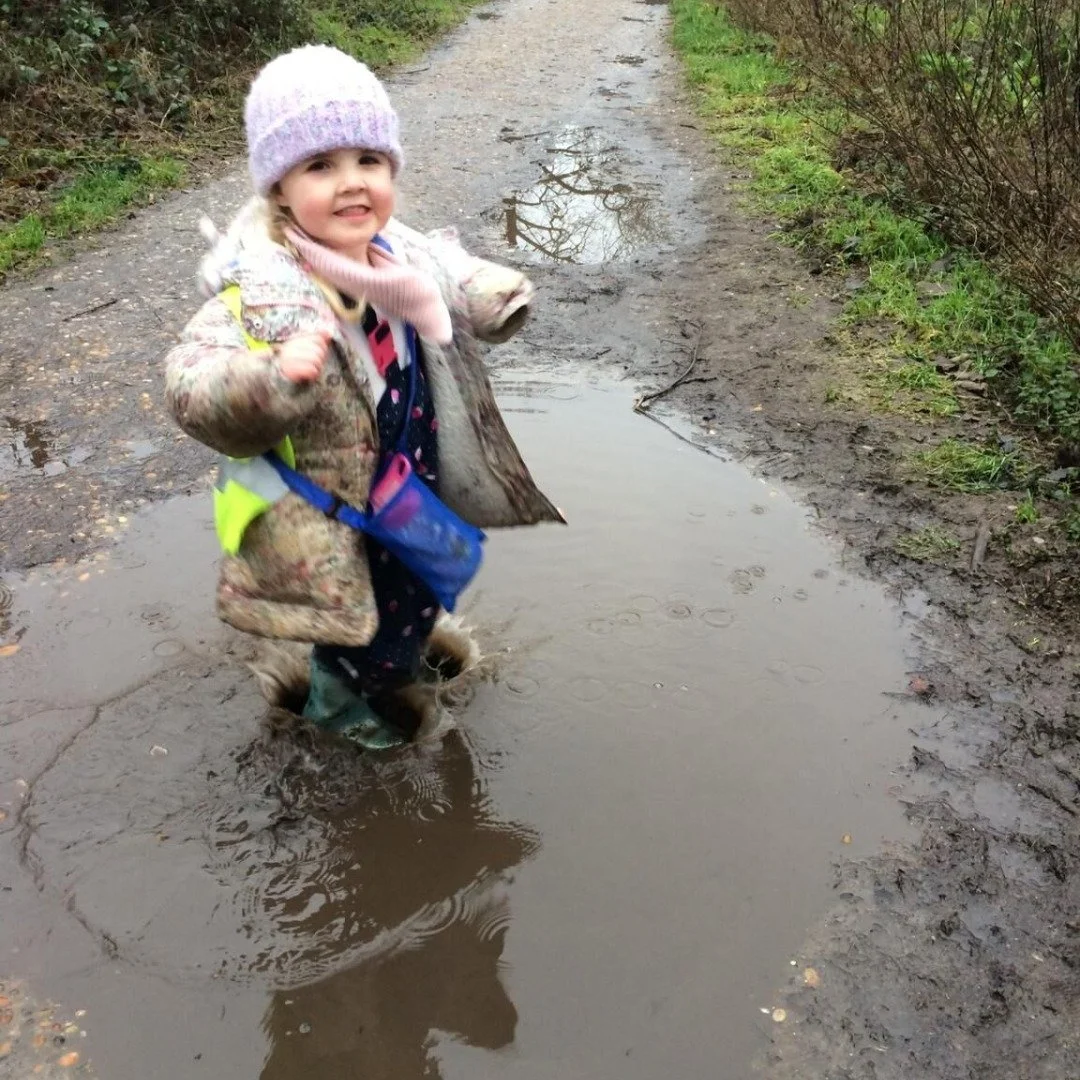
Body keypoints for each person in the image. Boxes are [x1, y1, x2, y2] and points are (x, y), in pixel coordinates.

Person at [164, 44, 560, 749]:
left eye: (368, 162)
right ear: (279, 188)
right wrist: (272, 379)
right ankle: (340, 718)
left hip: (409, 484)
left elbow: (454, 273)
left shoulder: (401, 256)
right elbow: (192, 388)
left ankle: (400, 658)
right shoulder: (259, 293)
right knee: (353, 625)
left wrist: (491, 296)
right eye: (320, 165)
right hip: (331, 516)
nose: (351, 184)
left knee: (414, 592)